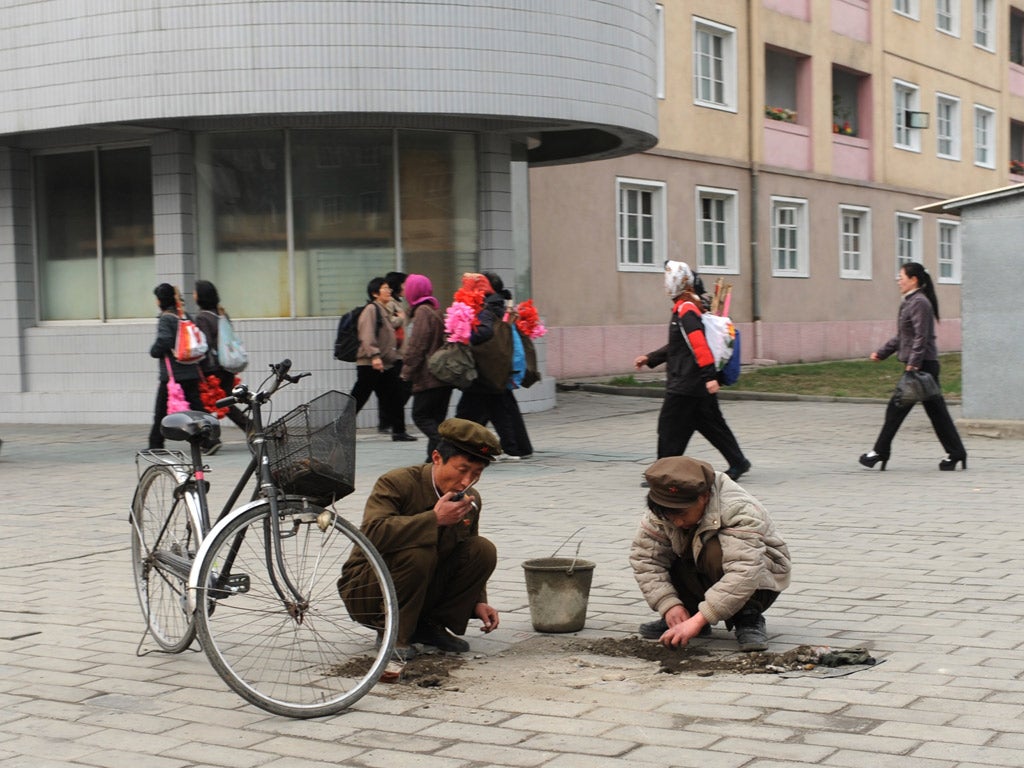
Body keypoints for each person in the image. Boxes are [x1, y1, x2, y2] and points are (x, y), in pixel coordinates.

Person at [337, 418, 502, 663]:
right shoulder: (397, 482)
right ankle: (393, 633)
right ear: (437, 458)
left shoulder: (470, 499)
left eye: (476, 474)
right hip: (368, 589)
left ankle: (428, 626)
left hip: (422, 586)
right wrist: (433, 519)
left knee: (482, 550)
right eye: (462, 469)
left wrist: (479, 602)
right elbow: (372, 533)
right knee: (418, 552)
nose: (467, 481)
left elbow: (468, 545)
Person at [630, 456, 792, 652]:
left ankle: (747, 616)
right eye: (669, 515)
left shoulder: (737, 508)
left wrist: (701, 618)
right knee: (662, 552)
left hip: (759, 581)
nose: (677, 522)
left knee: (716, 551)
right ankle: (685, 614)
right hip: (703, 573)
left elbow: (744, 571)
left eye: (682, 514)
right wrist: (669, 605)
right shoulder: (662, 508)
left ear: (704, 496)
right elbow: (646, 559)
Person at [634, 260, 750, 481]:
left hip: (688, 382)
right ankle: (738, 462)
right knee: (711, 425)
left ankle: (662, 474)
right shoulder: (686, 306)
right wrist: (650, 358)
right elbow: (679, 346)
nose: (665, 285)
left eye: (668, 280)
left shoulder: (686, 310)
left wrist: (709, 376)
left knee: (669, 426)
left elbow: (699, 345)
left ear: (679, 282)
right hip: (693, 381)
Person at [859, 261, 967, 471]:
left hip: (921, 367)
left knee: (895, 410)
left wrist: (913, 364)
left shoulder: (919, 303)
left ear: (914, 279)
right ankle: (957, 453)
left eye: (901, 277)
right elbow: (903, 336)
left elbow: (921, 337)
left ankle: (880, 452)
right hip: (923, 365)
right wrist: (882, 353)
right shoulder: (911, 301)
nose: (899, 281)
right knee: (937, 414)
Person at [454, 273, 525, 458]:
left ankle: (459, 450)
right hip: (494, 369)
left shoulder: (486, 309)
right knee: (498, 412)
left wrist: (464, 335)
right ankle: (511, 450)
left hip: (484, 369)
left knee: (466, 413)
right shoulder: (497, 305)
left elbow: (483, 333)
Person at [349, 277, 416, 442]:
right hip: (371, 363)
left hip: (386, 363)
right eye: (385, 288)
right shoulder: (371, 309)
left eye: (388, 288)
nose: (389, 291)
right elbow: (366, 334)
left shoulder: (383, 310)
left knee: (394, 397)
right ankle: (339, 428)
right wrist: (374, 356)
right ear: (375, 293)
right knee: (359, 397)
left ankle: (399, 431)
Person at [400, 273, 453, 460]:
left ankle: (445, 447)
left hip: (429, 376)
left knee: (420, 416)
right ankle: (433, 461)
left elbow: (417, 345)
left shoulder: (423, 311)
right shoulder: (436, 310)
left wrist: (406, 371)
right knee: (437, 420)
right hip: (443, 377)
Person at [147, 283, 205, 450]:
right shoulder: (183, 315)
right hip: (190, 370)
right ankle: (209, 440)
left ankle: (155, 444)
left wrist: (154, 351)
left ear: (159, 301)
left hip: (173, 376)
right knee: (197, 409)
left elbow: (164, 341)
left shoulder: (166, 318)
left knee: (160, 411)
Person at [193, 280, 250, 445]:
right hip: (228, 366)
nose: (194, 295)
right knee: (227, 402)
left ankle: (211, 438)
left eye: (196, 292)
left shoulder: (202, 318)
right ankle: (249, 427)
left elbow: (206, 345)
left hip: (213, 369)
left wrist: (202, 369)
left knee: (210, 403)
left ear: (201, 297)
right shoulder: (222, 314)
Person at [484, 272, 533, 459]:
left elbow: (492, 336)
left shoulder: (491, 305)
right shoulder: (500, 303)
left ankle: (513, 449)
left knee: (495, 408)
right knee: (504, 406)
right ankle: (521, 447)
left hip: (496, 365)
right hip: (502, 364)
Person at [379, 271, 410, 434]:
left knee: (393, 390)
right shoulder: (390, 303)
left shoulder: (397, 302)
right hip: (395, 353)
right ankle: (389, 421)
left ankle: (388, 421)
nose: (406, 287)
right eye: (404, 284)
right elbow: (387, 323)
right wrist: (401, 318)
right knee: (401, 388)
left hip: (399, 353)